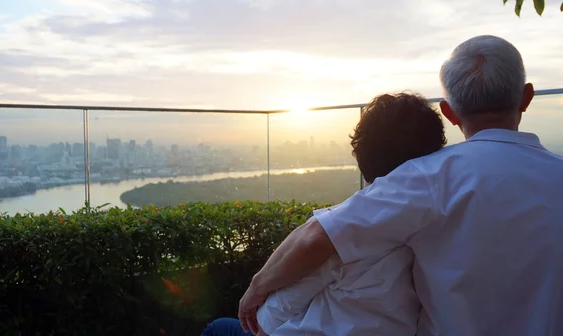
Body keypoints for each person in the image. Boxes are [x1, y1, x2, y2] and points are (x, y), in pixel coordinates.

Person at [239, 34, 563, 335]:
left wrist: (256, 288)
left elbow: (317, 237)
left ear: (449, 113)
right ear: (526, 97)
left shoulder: (429, 176)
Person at [201, 92, 447, 335]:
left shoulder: (347, 237)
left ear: (363, 156)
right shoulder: (441, 216)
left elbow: (265, 323)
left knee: (218, 328)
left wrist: (257, 289)